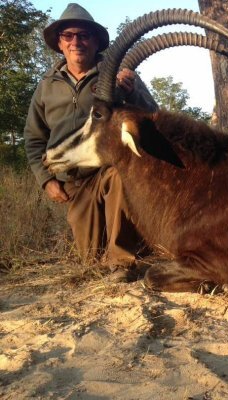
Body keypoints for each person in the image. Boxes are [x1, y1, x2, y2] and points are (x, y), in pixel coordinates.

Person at [24, 3, 158, 279]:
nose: (76, 42)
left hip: (106, 170)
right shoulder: (46, 86)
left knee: (119, 176)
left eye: (84, 35)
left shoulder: (117, 76)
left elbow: (153, 116)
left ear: (96, 41)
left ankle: (122, 263)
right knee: (90, 259)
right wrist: (46, 180)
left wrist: (132, 94)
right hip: (73, 182)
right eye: (69, 36)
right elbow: (34, 138)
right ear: (59, 43)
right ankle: (132, 248)